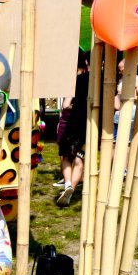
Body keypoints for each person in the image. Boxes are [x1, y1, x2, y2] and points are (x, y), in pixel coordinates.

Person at [55, 50, 89, 207]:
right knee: (79, 158)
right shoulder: (94, 81)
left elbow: (65, 105)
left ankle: (68, 184)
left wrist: (73, 106)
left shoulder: (75, 81)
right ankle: (71, 191)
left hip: (72, 124)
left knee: (67, 157)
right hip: (87, 125)